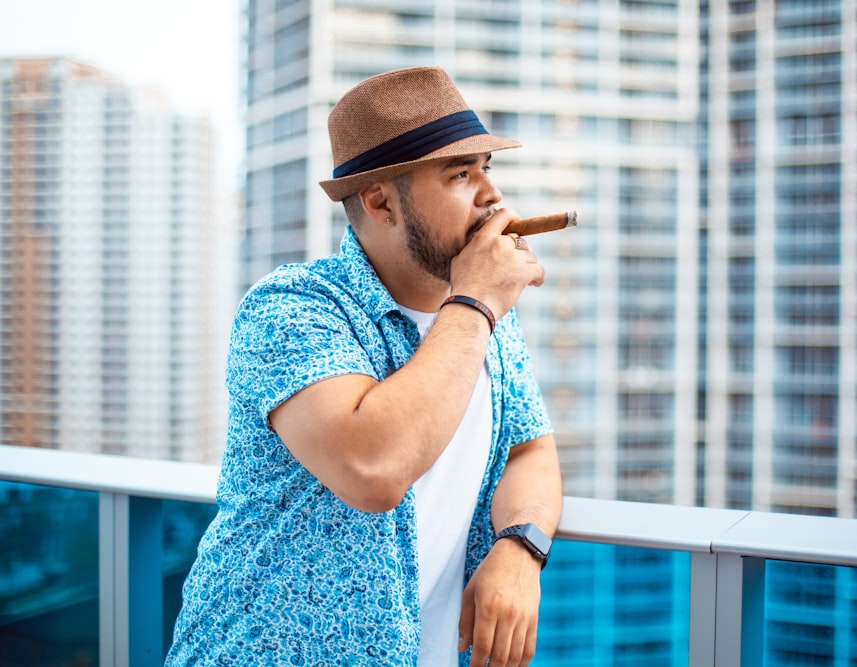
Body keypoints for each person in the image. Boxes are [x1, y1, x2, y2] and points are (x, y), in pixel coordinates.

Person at [165, 66, 563, 667]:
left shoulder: (488, 321)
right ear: (380, 202)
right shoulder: (292, 308)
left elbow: (530, 451)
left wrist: (519, 547)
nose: (491, 196)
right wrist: (477, 303)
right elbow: (372, 468)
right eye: (460, 174)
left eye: (487, 167)